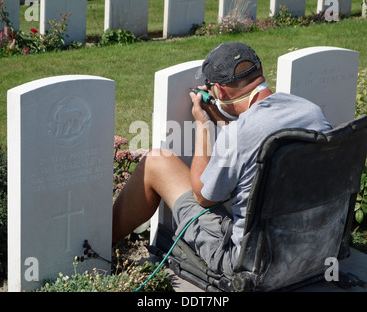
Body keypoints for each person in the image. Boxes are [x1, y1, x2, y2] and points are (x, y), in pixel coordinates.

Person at [112, 42, 332, 276]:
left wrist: (204, 125)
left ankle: (98, 247)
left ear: (220, 91)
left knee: (157, 161)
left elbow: (203, 196)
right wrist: (226, 125)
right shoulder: (310, 111)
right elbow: (255, 137)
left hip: (252, 261)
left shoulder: (238, 135)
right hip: (316, 247)